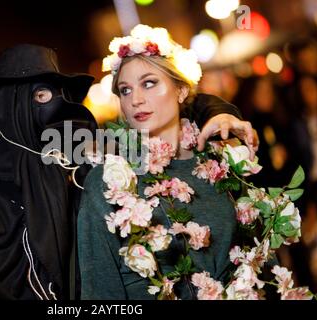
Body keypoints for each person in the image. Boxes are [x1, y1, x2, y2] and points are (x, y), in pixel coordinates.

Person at [0, 43, 256, 300]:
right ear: (8, 104)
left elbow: (164, 114)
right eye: (38, 96)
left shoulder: (76, 149)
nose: (51, 105)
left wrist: (219, 111)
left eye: (55, 95)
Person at [77, 25, 269, 300]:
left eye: (149, 83)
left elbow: (261, 256)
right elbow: (99, 291)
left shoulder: (220, 160)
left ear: (180, 90)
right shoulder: (108, 180)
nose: (136, 100)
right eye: (125, 90)